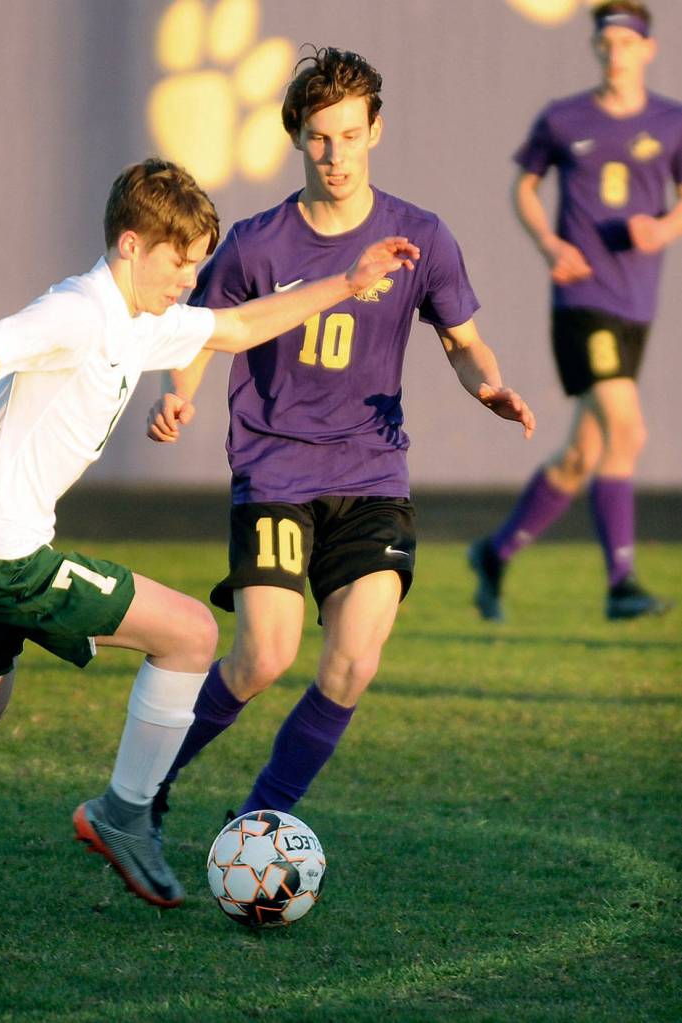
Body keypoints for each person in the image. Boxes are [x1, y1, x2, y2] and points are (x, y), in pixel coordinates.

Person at [0, 158, 420, 913]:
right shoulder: (80, 313)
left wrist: (347, 285)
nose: (189, 279)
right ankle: (124, 813)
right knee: (190, 632)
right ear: (130, 245)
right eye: (179, 262)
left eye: (196, 264)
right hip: (1, 556)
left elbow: (241, 324)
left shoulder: (138, 319)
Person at [145, 48, 535, 833]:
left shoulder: (419, 235)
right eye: (320, 138)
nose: (336, 155)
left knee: (354, 658)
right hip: (274, 472)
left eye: (350, 136)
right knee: (262, 656)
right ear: (296, 137)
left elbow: (463, 343)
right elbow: (197, 335)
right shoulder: (256, 245)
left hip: (371, 474)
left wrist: (487, 383)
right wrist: (177, 394)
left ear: (375, 132)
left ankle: (262, 822)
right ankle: (138, 792)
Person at [469, 0, 682, 621]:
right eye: (606, 43)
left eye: (626, 43)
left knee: (585, 455)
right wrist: (548, 243)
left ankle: (496, 552)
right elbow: (524, 185)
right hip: (582, 302)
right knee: (629, 431)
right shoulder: (565, 119)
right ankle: (621, 582)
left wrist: (663, 230)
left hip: (636, 304)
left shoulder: (672, 122)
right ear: (596, 49)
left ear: (648, 49)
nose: (615, 53)